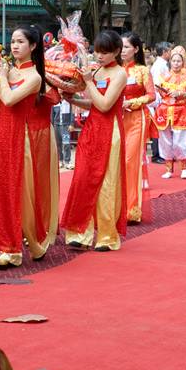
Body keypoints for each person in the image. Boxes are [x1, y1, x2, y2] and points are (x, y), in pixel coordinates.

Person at [0, 25, 59, 269]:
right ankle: (13, 245)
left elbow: (12, 99)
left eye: (20, 41)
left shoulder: (34, 77)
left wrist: (2, 77)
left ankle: (16, 247)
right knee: (0, 192)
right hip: (0, 136)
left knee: (18, 193)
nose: (14, 46)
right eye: (12, 41)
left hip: (18, 137)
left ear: (33, 46)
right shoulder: (10, 72)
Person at [60, 30, 128, 250]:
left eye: (104, 52)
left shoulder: (120, 74)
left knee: (107, 182)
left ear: (116, 52)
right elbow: (94, 104)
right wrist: (74, 100)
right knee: (83, 178)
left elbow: (106, 105)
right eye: (97, 52)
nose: (99, 56)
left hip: (110, 131)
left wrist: (88, 82)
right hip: (92, 129)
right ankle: (80, 232)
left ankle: (107, 236)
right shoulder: (97, 71)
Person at [119, 32, 156, 223]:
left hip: (136, 119)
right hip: (116, 119)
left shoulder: (142, 71)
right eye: (121, 46)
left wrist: (132, 102)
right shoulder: (114, 69)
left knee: (130, 162)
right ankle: (116, 206)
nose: (123, 50)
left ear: (135, 49)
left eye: (126, 47)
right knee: (117, 162)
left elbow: (152, 95)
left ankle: (132, 209)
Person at [154, 46, 186, 178]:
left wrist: (180, 94)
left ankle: (185, 166)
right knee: (165, 140)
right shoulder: (163, 77)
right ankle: (168, 169)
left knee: (179, 141)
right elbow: (157, 95)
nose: (176, 63)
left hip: (180, 110)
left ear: (183, 63)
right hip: (164, 111)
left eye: (178, 61)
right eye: (173, 60)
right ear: (170, 61)